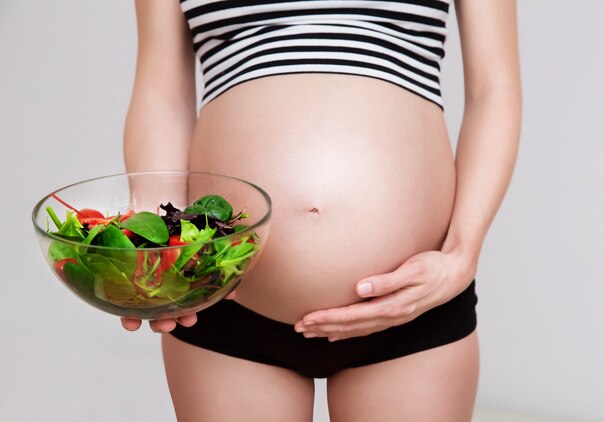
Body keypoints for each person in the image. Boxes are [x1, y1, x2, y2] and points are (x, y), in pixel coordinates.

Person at [121, 0, 521, 420]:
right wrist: (157, 249)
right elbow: (161, 92)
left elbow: (494, 89)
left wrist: (461, 257)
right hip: (226, 294)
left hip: (412, 302)